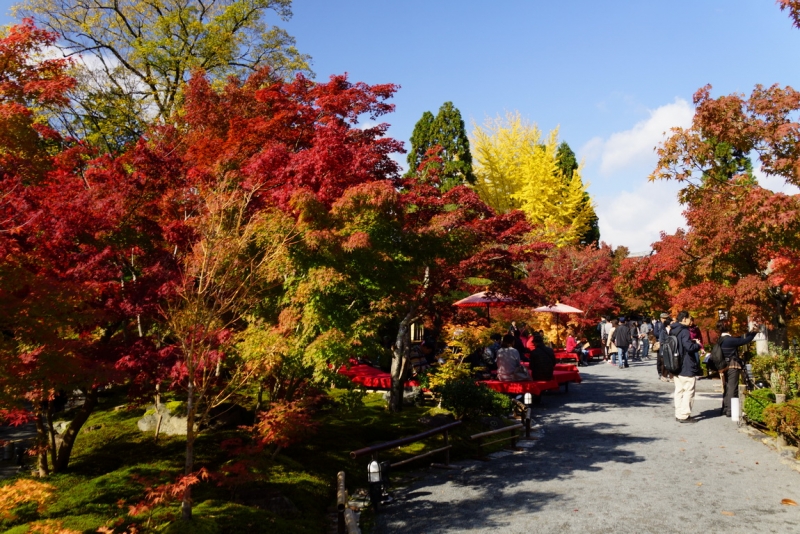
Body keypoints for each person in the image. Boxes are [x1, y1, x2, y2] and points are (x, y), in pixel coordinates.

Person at [717, 320, 759, 417]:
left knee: (727, 386)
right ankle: (730, 410)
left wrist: (751, 332)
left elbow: (739, 338)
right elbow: (743, 340)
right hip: (732, 365)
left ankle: (725, 407)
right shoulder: (729, 340)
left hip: (723, 366)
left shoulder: (721, 339)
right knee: (732, 387)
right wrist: (754, 333)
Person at [670, 311, 703, 423]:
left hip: (674, 364)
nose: (690, 321)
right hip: (685, 364)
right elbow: (688, 347)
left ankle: (678, 413)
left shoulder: (673, 330)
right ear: (684, 319)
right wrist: (697, 345)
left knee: (679, 390)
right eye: (689, 318)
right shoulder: (684, 331)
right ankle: (684, 415)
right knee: (688, 390)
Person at [656, 313, 672, 381]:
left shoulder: (671, 329)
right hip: (661, 344)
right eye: (663, 318)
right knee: (661, 361)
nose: (664, 319)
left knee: (669, 361)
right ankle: (661, 373)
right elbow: (655, 333)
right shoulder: (658, 325)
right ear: (661, 318)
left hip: (669, 346)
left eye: (666, 318)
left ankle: (668, 374)